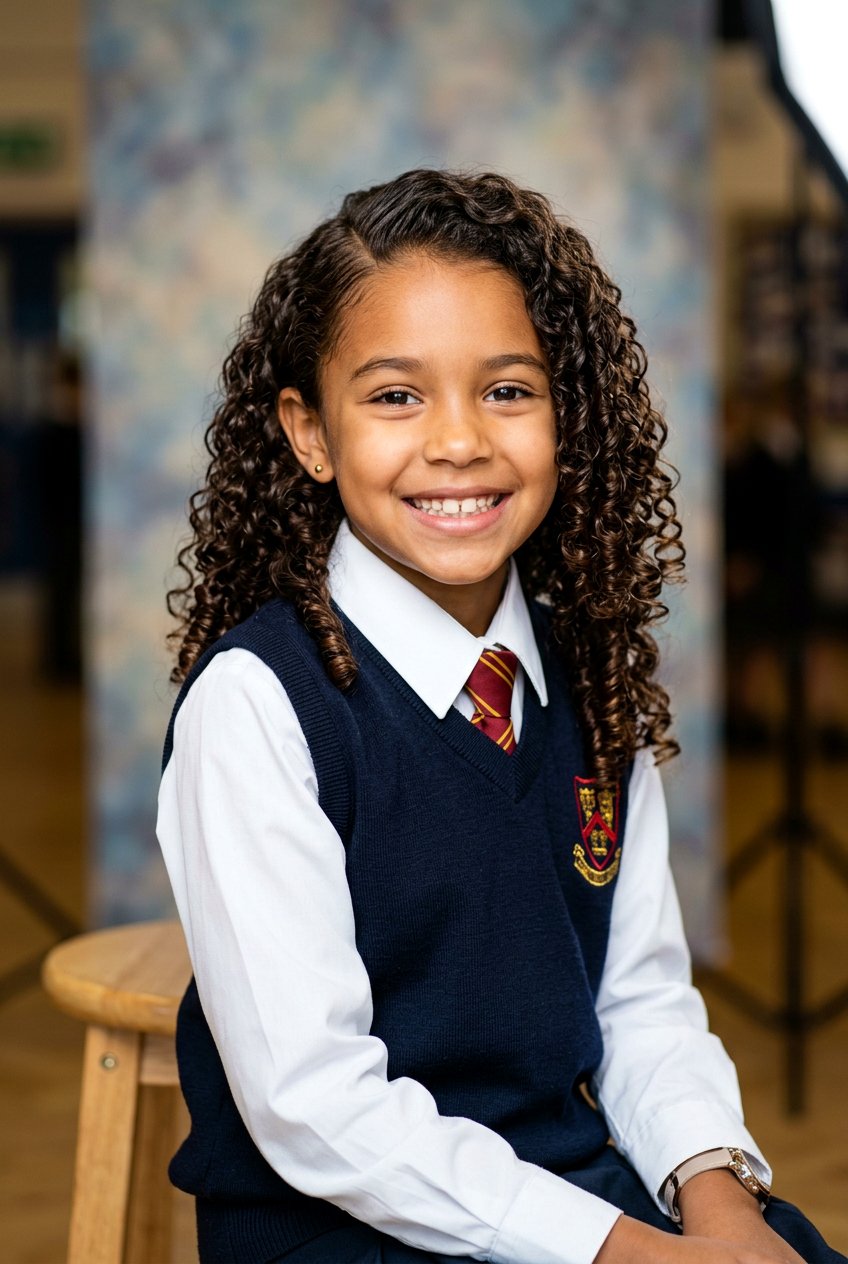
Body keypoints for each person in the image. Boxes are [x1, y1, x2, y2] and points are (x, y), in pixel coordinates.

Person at [156, 169, 844, 1264]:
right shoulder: (256, 706)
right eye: (395, 396)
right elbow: (315, 1107)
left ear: (564, 413)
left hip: (577, 1186)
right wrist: (629, 1253)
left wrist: (715, 1206)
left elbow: (637, 1000)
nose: (459, 441)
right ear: (308, 432)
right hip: (341, 1227)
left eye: (507, 390)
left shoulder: (592, 680)